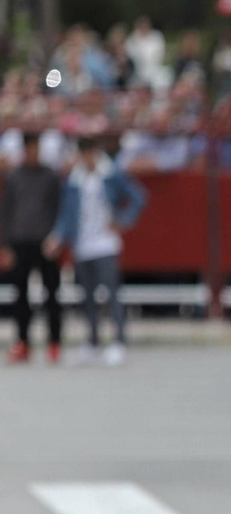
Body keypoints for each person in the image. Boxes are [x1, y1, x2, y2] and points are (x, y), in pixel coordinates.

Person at [48, 136, 148, 367]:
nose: (86, 158)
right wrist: (57, 237)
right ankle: (92, 342)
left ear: (95, 153)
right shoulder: (74, 180)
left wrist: (123, 220)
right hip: (83, 245)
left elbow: (138, 197)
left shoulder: (110, 174)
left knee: (111, 294)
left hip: (106, 243)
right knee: (88, 298)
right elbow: (67, 214)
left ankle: (118, 341)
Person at [1, 132, 65, 364]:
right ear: (24, 150)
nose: (34, 153)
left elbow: (60, 210)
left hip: (46, 243)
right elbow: (7, 212)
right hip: (20, 242)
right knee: (20, 296)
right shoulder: (13, 177)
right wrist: (5, 245)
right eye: (30, 149)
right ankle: (23, 343)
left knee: (51, 295)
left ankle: (55, 343)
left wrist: (57, 238)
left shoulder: (50, 176)